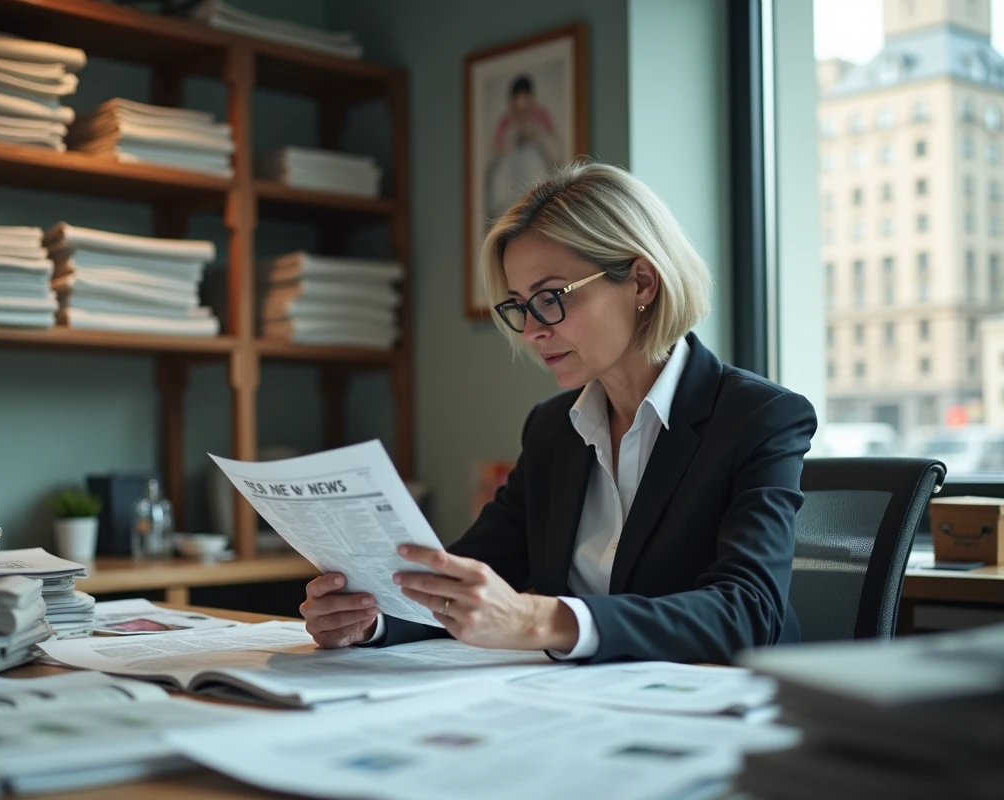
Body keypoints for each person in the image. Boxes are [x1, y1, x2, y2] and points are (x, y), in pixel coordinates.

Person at [300, 161, 817, 665]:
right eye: (520, 305)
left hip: (725, 700)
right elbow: (467, 579)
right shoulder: (552, 429)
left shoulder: (760, 417)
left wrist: (539, 620)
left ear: (642, 282)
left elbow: (750, 611)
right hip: (585, 698)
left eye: (550, 297)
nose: (532, 331)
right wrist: (370, 618)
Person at [485, 75, 561, 222]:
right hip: (510, 200)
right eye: (517, 111)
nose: (521, 116)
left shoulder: (541, 119)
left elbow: (556, 156)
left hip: (537, 199)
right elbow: (494, 159)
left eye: (526, 110)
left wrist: (538, 135)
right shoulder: (505, 124)